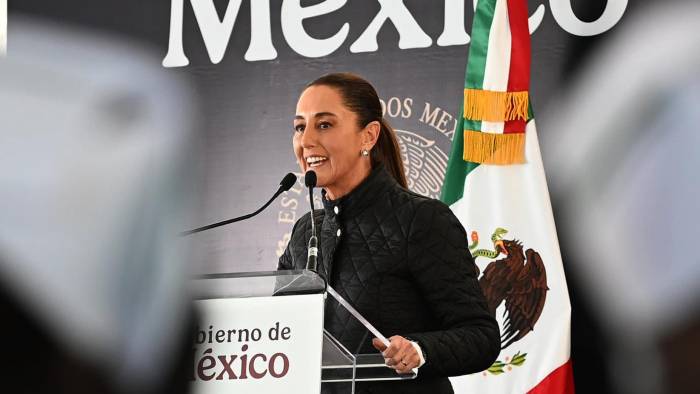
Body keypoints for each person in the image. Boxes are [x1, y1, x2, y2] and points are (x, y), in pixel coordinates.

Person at [278, 73, 500, 394]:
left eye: (324, 125)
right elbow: (279, 332)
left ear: (368, 136)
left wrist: (418, 350)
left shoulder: (421, 219)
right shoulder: (303, 232)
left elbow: (480, 336)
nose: (306, 140)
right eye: (300, 127)